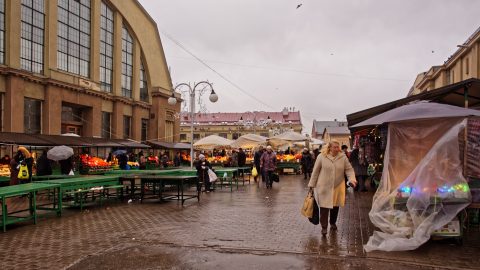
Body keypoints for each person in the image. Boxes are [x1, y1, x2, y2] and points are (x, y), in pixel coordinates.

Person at [308, 140, 357, 236]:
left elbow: (349, 169)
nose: (337, 149)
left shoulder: (343, 157)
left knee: (335, 207)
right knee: (324, 208)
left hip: (337, 186)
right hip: (323, 186)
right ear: (329, 148)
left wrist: (352, 179)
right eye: (335, 147)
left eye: (338, 147)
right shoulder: (321, 156)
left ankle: (333, 222)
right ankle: (324, 227)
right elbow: (315, 172)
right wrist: (311, 185)